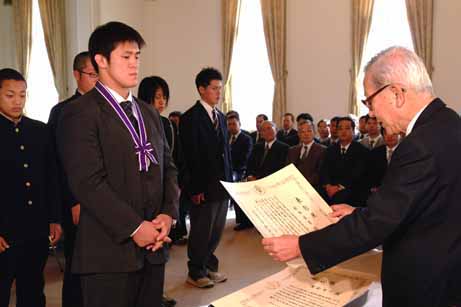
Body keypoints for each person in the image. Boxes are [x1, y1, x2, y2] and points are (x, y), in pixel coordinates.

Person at [262, 46, 461, 307]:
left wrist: (301, 245)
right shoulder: (449, 122)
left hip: (426, 283)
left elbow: (377, 224)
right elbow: (416, 206)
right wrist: (359, 212)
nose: (371, 114)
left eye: (369, 101)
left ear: (396, 93)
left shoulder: (419, 144)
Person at [57, 21, 179, 307]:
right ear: (100, 60)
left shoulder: (149, 114)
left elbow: (169, 169)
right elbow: (88, 184)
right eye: (126, 56)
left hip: (154, 248)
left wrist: (167, 214)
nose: (134, 63)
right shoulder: (80, 113)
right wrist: (136, 228)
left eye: (137, 56)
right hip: (108, 252)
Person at [0, 68, 62, 307]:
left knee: (33, 290)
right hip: (4, 231)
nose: (17, 101)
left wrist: (54, 218)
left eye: (22, 95)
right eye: (10, 95)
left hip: (35, 228)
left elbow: (51, 177)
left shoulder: (39, 130)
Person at [47, 51, 98, 307]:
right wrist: (73, 201)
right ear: (77, 75)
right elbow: (60, 164)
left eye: (99, 74)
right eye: (91, 75)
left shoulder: (108, 108)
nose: (97, 81)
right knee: (78, 264)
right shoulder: (63, 112)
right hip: (77, 203)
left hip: (105, 202)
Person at [179, 67, 233, 288]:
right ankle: (196, 271)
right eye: (214, 88)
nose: (218, 93)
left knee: (216, 230)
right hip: (203, 186)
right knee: (201, 230)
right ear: (201, 89)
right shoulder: (190, 118)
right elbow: (189, 156)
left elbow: (225, 153)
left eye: (220, 88)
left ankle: (209, 267)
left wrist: (230, 183)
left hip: (222, 184)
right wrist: (194, 189)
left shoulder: (220, 116)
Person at [318, 117, 369, 206]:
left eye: (347, 128)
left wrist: (338, 187)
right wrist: (328, 186)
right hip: (330, 189)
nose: (343, 131)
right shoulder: (330, 150)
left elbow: (357, 174)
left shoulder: (362, 151)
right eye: (340, 129)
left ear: (353, 131)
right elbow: (324, 170)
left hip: (351, 190)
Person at [227, 114, 253, 231]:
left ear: (239, 124)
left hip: (240, 170)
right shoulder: (226, 137)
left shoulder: (246, 138)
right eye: (229, 124)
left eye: (234, 124)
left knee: (238, 190)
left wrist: (233, 168)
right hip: (228, 169)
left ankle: (244, 221)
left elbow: (246, 157)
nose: (231, 127)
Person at [286, 120, 326, 189]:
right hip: (293, 187)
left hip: (313, 188)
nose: (306, 134)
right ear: (298, 134)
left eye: (309, 131)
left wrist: (303, 184)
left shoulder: (322, 150)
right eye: (302, 132)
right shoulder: (292, 150)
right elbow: (288, 170)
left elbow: (320, 173)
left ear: (314, 132)